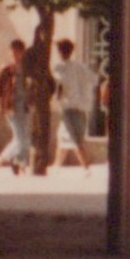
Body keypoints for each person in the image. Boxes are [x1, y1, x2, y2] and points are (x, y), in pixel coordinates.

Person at [0, 35, 32, 170]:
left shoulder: (26, 69)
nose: (15, 54)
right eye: (12, 51)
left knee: (24, 137)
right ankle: (0, 160)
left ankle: (20, 164)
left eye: (17, 51)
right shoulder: (6, 69)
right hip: (11, 105)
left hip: (24, 106)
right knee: (21, 138)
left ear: (22, 52)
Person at [52, 36, 96, 168]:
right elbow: (94, 80)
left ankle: (85, 165)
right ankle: (56, 164)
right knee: (64, 136)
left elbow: (59, 86)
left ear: (60, 52)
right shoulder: (81, 67)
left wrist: (57, 97)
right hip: (82, 107)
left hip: (68, 107)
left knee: (73, 138)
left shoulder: (59, 68)